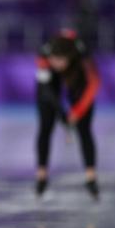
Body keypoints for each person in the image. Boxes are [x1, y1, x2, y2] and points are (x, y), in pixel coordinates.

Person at [35, 29, 100, 200]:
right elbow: (46, 90)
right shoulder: (45, 55)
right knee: (45, 125)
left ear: (68, 58)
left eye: (59, 61)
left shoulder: (81, 53)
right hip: (50, 84)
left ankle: (91, 177)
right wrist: (63, 116)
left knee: (84, 128)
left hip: (76, 77)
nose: (55, 64)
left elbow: (93, 83)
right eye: (53, 61)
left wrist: (77, 111)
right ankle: (41, 176)